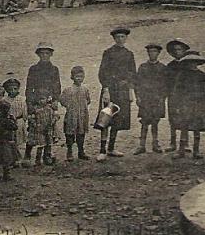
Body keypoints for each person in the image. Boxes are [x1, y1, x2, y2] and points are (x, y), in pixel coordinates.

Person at [98, 27, 136, 158]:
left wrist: (131, 90)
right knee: (106, 119)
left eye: (122, 37)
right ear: (114, 39)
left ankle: (111, 148)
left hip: (123, 91)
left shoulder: (129, 54)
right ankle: (102, 151)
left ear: (126, 38)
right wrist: (106, 90)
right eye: (118, 37)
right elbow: (103, 72)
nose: (120, 39)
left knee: (117, 119)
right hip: (111, 90)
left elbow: (132, 73)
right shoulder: (108, 53)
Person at [24, 42, 61, 166]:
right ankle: (27, 155)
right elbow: (29, 88)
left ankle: (47, 155)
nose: (44, 56)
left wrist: (55, 100)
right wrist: (30, 104)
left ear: (51, 54)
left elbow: (57, 87)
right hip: (36, 103)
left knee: (48, 130)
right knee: (34, 130)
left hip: (49, 104)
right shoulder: (33, 69)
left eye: (47, 53)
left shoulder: (54, 69)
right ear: (38, 55)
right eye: (42, 53)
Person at [134, 43, 167, 154]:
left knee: (155, 122)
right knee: (144, 122)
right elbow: (137, 83)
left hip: (157, 99)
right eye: (150, 52)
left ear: (158, 53)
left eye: (154, 52)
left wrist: (162, 97)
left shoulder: (162, 68)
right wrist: (138, 97)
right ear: (148, 53)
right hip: (145, 99)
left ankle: (155, 143)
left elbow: (165, 85)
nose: (152, 54)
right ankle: (141, 145)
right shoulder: (143, 67)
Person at [175, 54, 205, 159]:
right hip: (186, 104)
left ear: (198, 63)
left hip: (198, 104)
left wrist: (204, 103)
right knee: (184, 127)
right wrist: (178, 104)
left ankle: (196, 151)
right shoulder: (182, 74)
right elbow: (177, 90)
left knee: (197, 127)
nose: (192, 64)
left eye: (195, 62)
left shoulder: (201, 75)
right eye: (190, 62)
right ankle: (181, 150)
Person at [164, 39, 191, 153]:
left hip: (185, 96)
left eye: (180, 49)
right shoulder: (170, 65)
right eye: (175, 50)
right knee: (173, 118)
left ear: (184, 51)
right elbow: (166, 81)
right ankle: (173, 142)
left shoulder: (188, 65)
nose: (177, 52)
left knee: (185, 117)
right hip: (173, 95)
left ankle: (185, 143)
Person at [59, 66, 91, 161]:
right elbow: (62, 100)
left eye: (81, 76)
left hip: (82, 115)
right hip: (71, 115)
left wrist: (82, 108)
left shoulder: (85, 89)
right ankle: (69, 152)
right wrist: (69, 106)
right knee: (70, 134)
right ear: (72, 77)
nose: (79, 79)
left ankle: (81, 152)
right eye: (77, 76)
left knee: (81, 133)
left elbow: (88, 100)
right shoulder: (68, 89)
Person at [3, 76, 26, 167]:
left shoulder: (22, 99)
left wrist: (24, 119)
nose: (12, 91)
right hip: (9, 123)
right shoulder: (5, 100)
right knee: (11, 140)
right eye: (10, 89)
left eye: (15, 89)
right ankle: (15, 158)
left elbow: (25, 111)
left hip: (19, 121)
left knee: (18, 139)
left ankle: (17, 157)